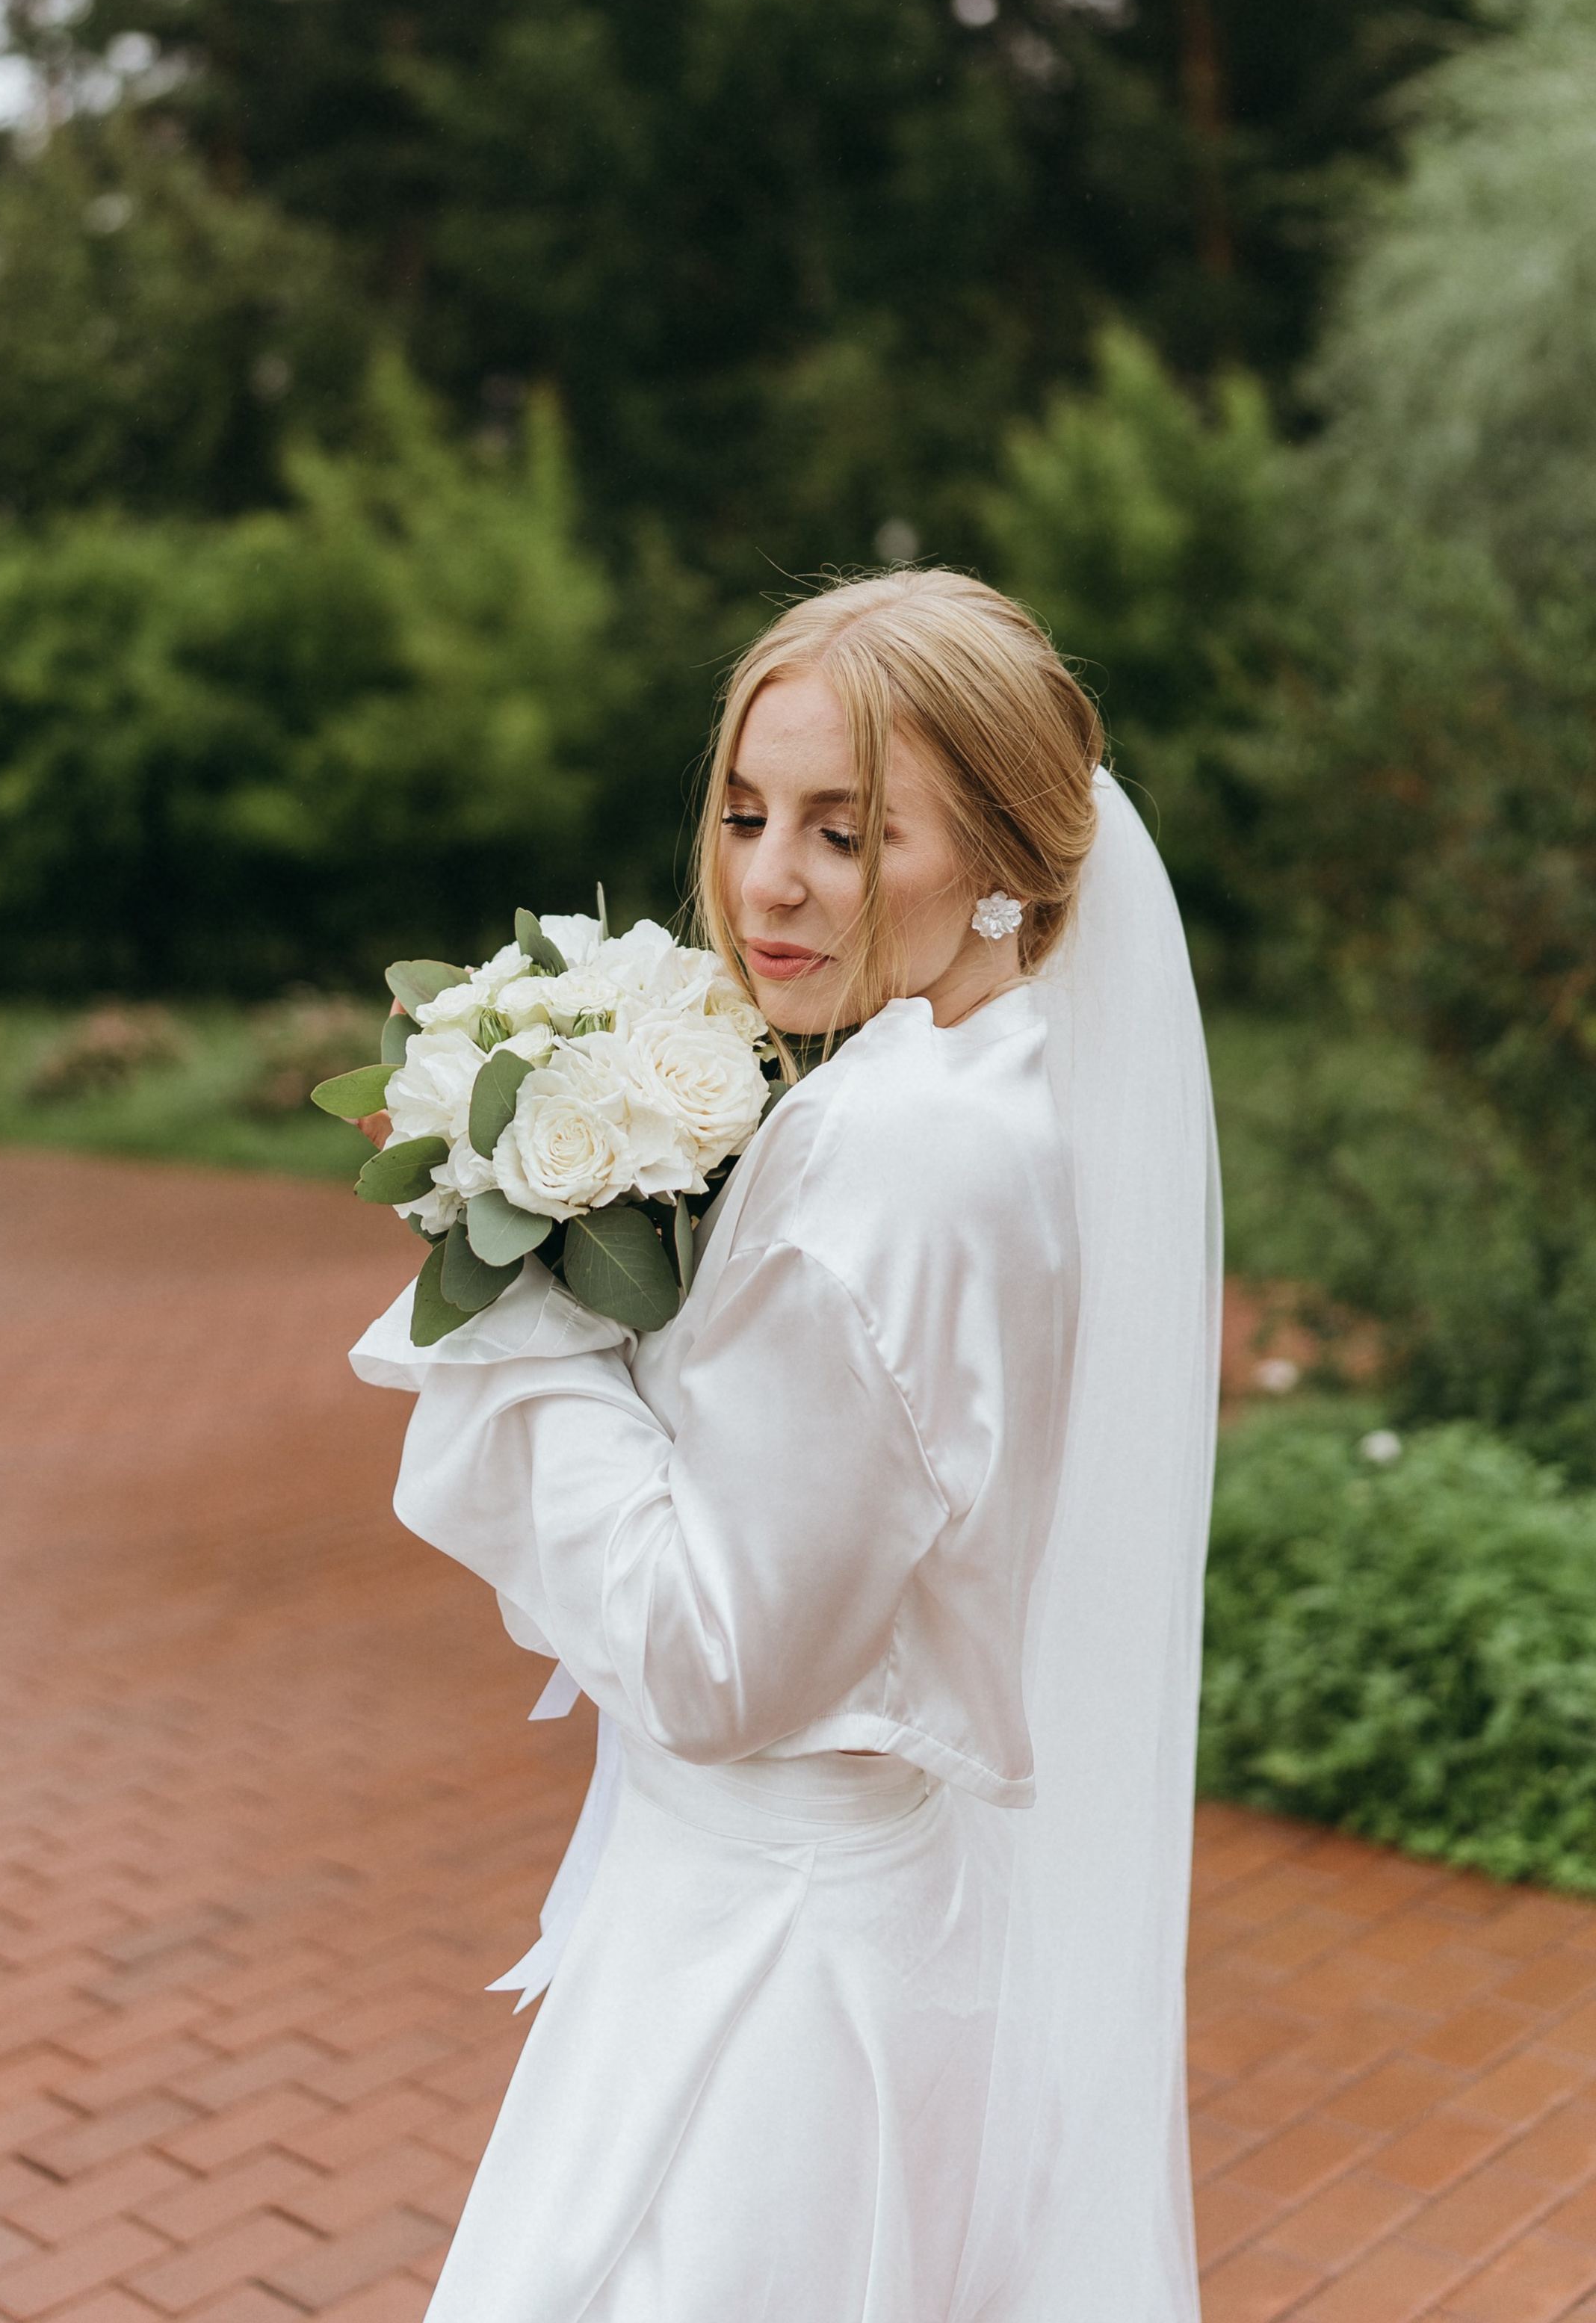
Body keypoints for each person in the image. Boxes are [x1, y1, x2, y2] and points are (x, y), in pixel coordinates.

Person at [350, 569, 1219, 2322]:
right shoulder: (967, 1091)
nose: (766, 881)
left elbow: (714, 1656)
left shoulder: (884, 1158)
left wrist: (526, 1326)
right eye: (748, 813)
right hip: (844, 1916)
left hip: (765, 1987)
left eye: (850, 830)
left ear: (999, 862)